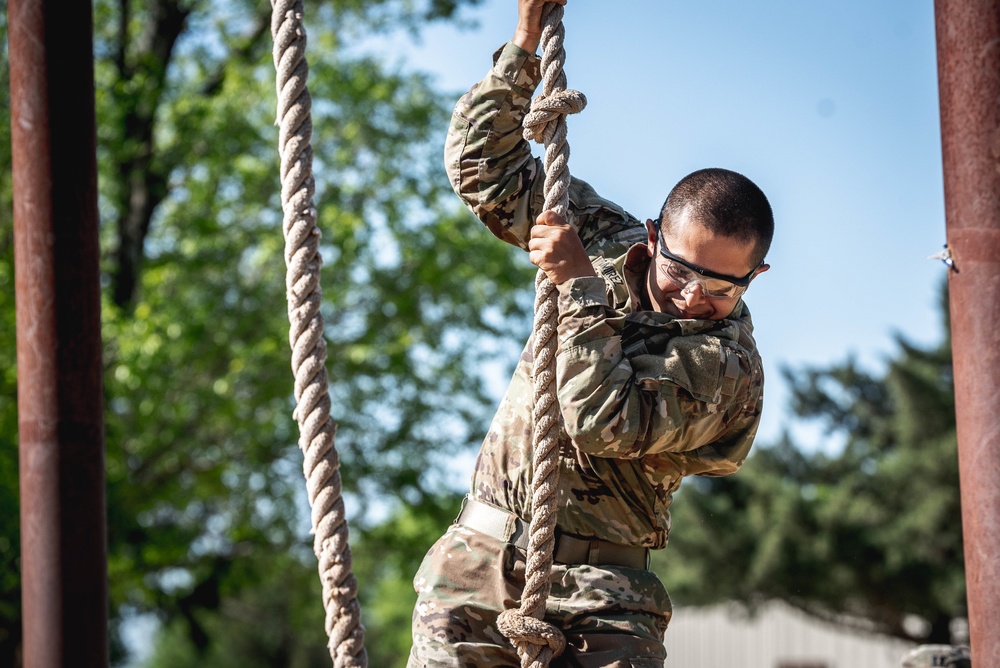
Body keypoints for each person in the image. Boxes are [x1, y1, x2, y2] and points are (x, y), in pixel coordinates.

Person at [408, 0, 773, 665]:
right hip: (476, 566)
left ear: (756, 276)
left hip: (602, 603)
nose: (695, 297)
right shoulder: (607, 237)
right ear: (655, 237)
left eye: (723, 287)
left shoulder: (728, 368)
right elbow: (482, 167)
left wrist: (577, 284)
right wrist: (524, 46)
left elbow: (600, 420)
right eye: (683, 270)